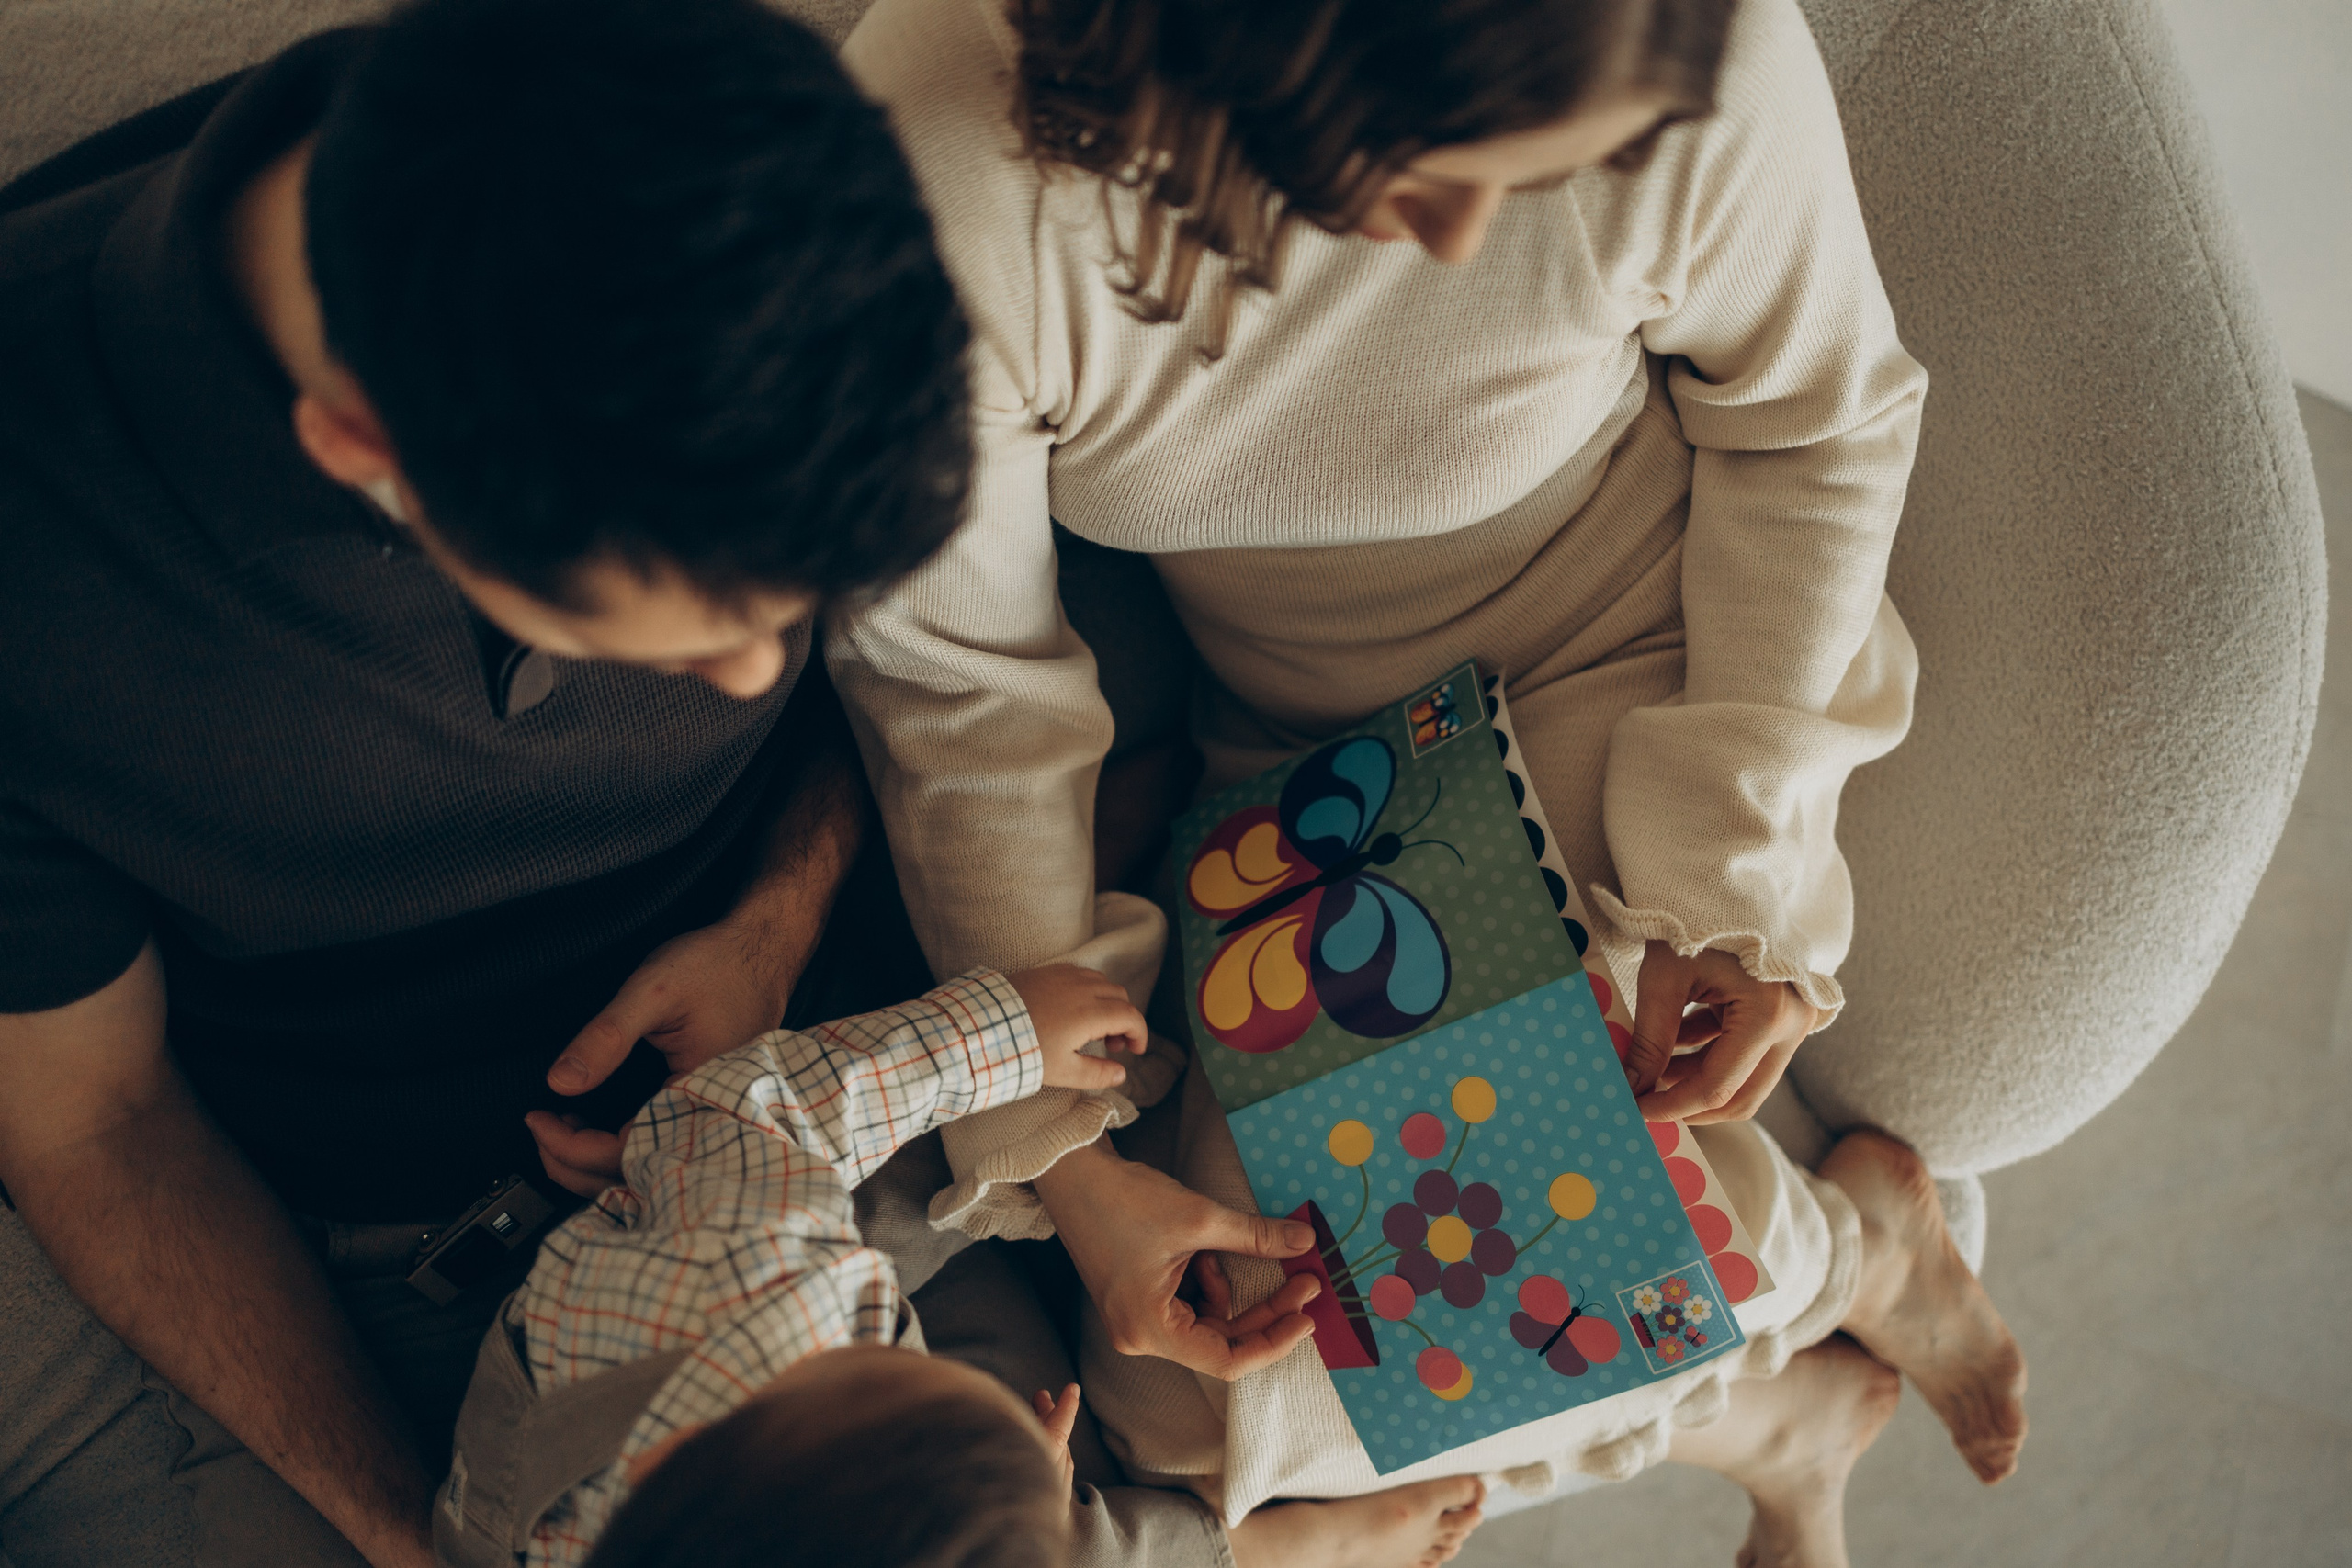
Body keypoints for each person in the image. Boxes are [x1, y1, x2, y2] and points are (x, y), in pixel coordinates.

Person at [825, 0, 2029, 1552]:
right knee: (1199, 1405)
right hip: (1289, 771)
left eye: (1540, 174)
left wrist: (1735, 884)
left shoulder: (1683, 45)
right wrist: (1064, 1158)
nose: (1464, 241)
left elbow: (1820, 425)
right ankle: (1814, 1333)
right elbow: (963, 699)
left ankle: (1846, 1269)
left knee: (1472, 1281)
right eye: (1428, 170)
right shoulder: (937, 177)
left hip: (1612, 652)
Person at [0, 0, 972, 1561]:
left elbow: (907, 682)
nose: (754, 671)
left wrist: (782, 917)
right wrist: (426, 1536)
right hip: (408, 1286)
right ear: (363, 444)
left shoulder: (760, 162)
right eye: (698, 626)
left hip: (851, 1080)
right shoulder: (33, 554)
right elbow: (94, 1124)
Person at [434, 960, 1147, 1568]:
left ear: (667, 1457)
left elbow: (745, 1108)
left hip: (632, 1335)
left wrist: (1002, 1035)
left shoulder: (758, 1266)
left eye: (900, 1368)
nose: (911, 1351)